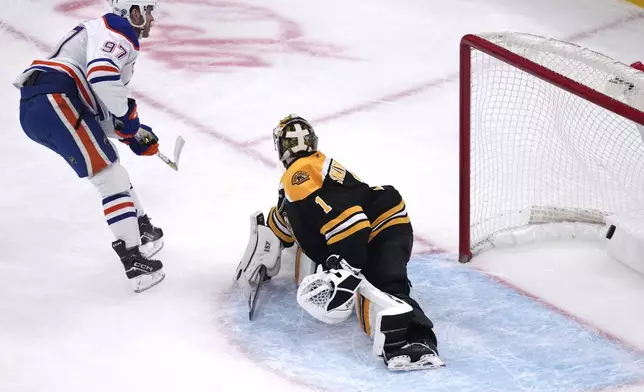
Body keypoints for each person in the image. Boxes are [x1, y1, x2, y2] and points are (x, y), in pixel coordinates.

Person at [261, 114, 442, 370]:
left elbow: (350, 220)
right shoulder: (310, 170)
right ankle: (410, 334)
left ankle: (414, 342)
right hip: (385, 218)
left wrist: (345, 265)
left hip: (377, 227)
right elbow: (288, 218)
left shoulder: (298, 175)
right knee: (384, 284)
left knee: (384, 288)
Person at [13, 0, 165, 293]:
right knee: (109, 175)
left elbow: (99, 101)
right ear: (133, 11)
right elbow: (102, 76)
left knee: (110, 167)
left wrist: (132, 134)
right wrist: (128, 120)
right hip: (56, 100)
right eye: (149, 11)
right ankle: (133, 259)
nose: (152, 19)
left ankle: (141, 227)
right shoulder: (119, 31)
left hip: (46, 103)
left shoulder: (100, 31)